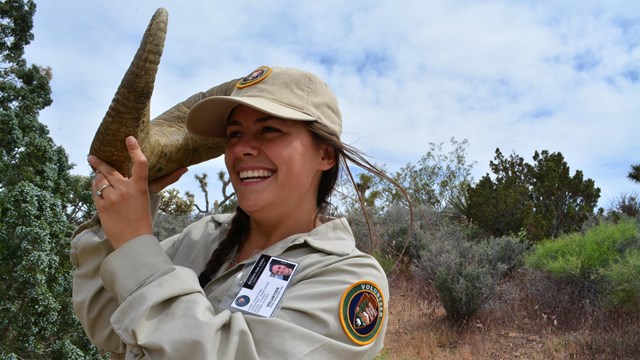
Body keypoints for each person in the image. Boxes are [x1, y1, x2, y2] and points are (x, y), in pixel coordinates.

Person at [71, 66, 401, 359]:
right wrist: (119, 219)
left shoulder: (347, 278)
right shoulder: (203, 236)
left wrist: (135, 244)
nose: (241, 149)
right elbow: (105, 322)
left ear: (325, 155)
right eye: (234, 134)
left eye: (270, 130)